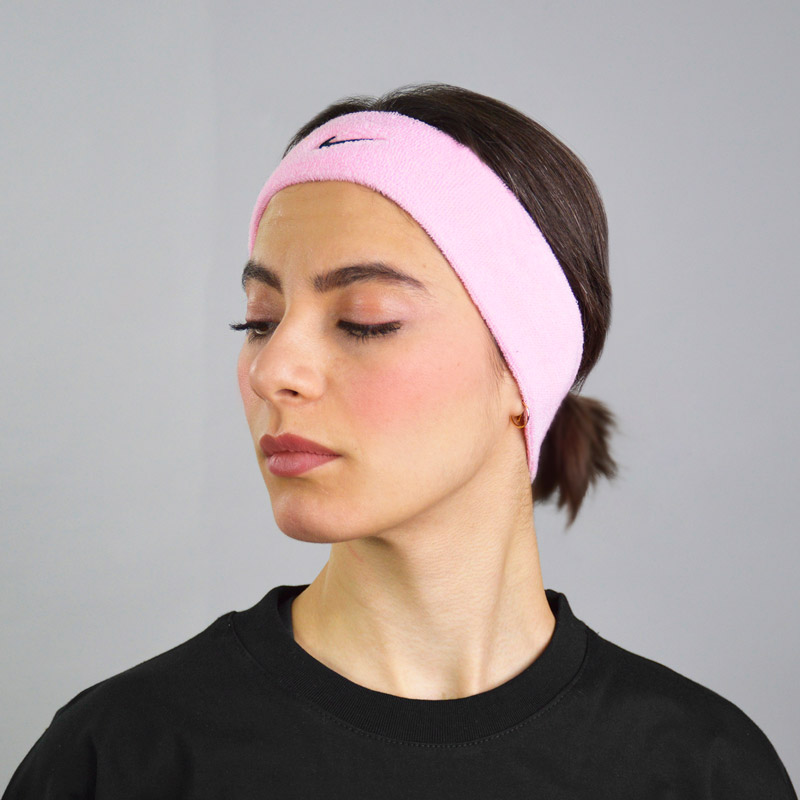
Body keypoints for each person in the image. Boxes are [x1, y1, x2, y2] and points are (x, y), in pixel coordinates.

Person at [3, 83, 796, 798]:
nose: (273, 370)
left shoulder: (701, 770)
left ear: (524, 371)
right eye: (260, 322)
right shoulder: (120, 758)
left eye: (365, 321)